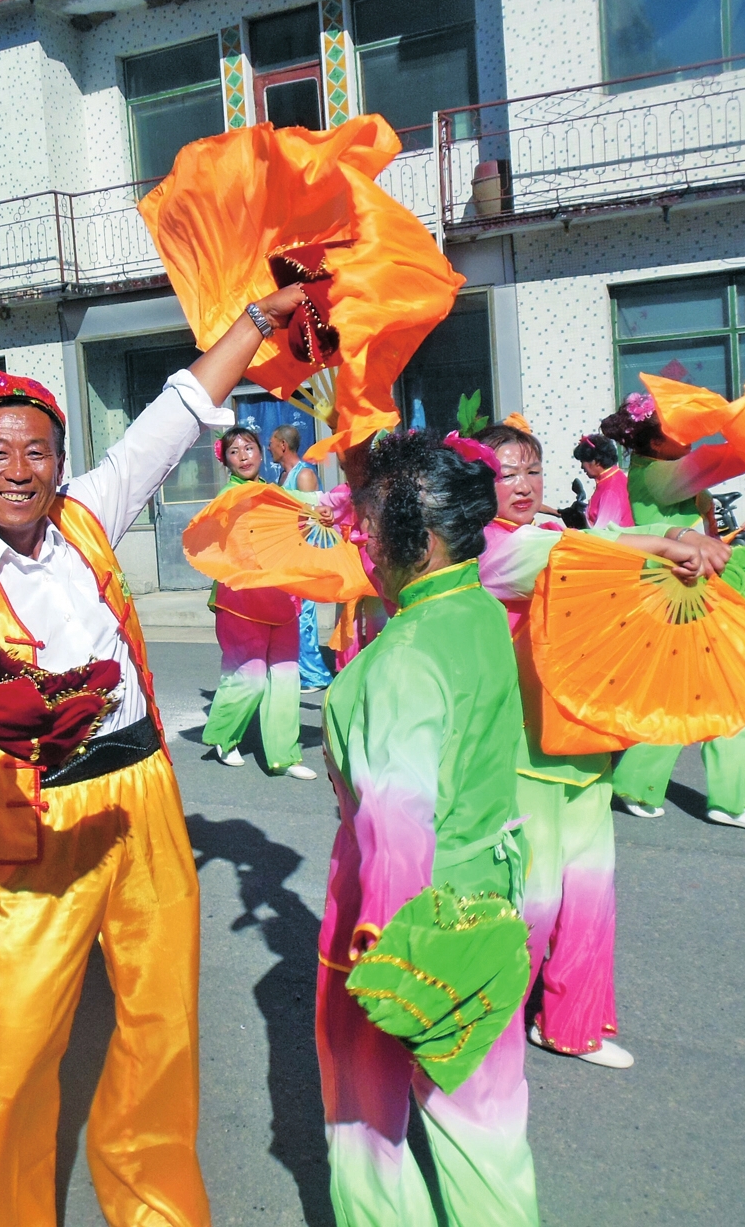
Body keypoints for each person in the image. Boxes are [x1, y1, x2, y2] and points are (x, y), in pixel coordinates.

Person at [0, 284, 306, 1227]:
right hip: (36, 818)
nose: (20, 468)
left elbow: (178, 412)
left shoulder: (88, 513)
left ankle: (159, 1209)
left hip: (145, 791)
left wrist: (259, 320)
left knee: (161, 1027)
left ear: (60, 460)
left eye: (37, 449)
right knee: (21, 1046)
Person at [316, 427, 540, 1225]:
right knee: (487, 1129)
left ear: (426, 535)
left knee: (366, 1123)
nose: (361, 538)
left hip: (402, 922)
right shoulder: (480, 605)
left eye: (372, 522)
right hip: (491, 903)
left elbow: (396, 830)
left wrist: (383, 954)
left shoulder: (402, 656)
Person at [475, 423, 731, 1071]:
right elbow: (587, 557)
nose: (524, 484)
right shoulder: (489, 551)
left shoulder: (556, 532)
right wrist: (673, 545)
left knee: (590, 890)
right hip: (518, 747)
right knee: (527, 896)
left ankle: (572, 1022)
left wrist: (681, 536)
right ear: (479, 482)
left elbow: (605, 537)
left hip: (582, 732)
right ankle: (493, 1019)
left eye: (531, 470)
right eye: (506, 473)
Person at [597, 394, 745, 830]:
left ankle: (636, 784)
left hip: (691, 592)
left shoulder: (656, 471)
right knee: (731, 692)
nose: (689, 436)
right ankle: (729, 801)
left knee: (685, 692)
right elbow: (720, 462)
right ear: (654, 443)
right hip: (682, 596)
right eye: (677, 430)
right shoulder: (660, 474)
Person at [201, 426, 316, 779]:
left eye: (249, 448)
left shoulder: (274, 492)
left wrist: (312, 519)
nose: (244, 456)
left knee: (285, 678)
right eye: (234, 452)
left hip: (280, 597)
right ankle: (224, 736)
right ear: (227, 462)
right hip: (241, 600)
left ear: (261, 452)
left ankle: (285, 754)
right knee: (249, 677)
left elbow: (294, 533)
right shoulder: (227, 498)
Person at [269, 423, 333, 692]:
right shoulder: (283, 477)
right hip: (286, 555)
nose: (268, 448)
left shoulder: (304, 475)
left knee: (304, 616)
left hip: (301, 554)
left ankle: (316, 674)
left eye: (271, 442)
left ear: (283, 445)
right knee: (291, 616)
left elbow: (311, 518)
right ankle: (299, 669)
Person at [571, 434, 633, 528]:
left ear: (597, 461)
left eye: (583, 461)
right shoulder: (615, 477)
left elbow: (602, 533)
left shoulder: (611, 489)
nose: (582, 467)